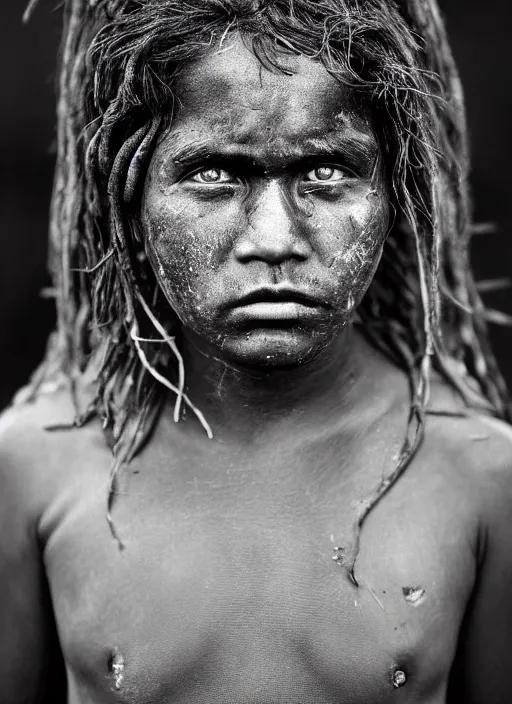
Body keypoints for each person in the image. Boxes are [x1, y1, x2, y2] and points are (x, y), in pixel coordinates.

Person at [1, 0, 512, 701]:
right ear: (128, 193)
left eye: (326, 172)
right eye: (215, 174)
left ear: (397, 192)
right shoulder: (32, 467)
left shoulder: (482, 477)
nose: (275, 238)